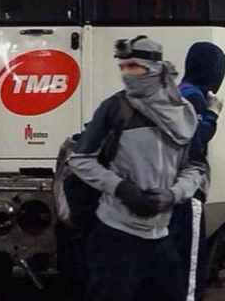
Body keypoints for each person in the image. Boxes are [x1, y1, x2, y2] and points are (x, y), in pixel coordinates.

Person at [67, 36, 205, 301]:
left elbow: (195, 166)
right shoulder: (115, 108)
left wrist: (174, 194)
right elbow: (80, 159)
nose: (127, 75)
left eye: (134, 67)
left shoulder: (183, 114)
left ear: (154, 69)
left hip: (162, 233)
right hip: (116, 234)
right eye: (123, 68)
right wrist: (121, 188)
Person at [170, 42, 225, 301]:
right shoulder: (192, 96)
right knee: (191, 266)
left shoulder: (180, 91)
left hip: (173, 186)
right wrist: (213, 114)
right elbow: (195, 140)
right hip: (189, 190)